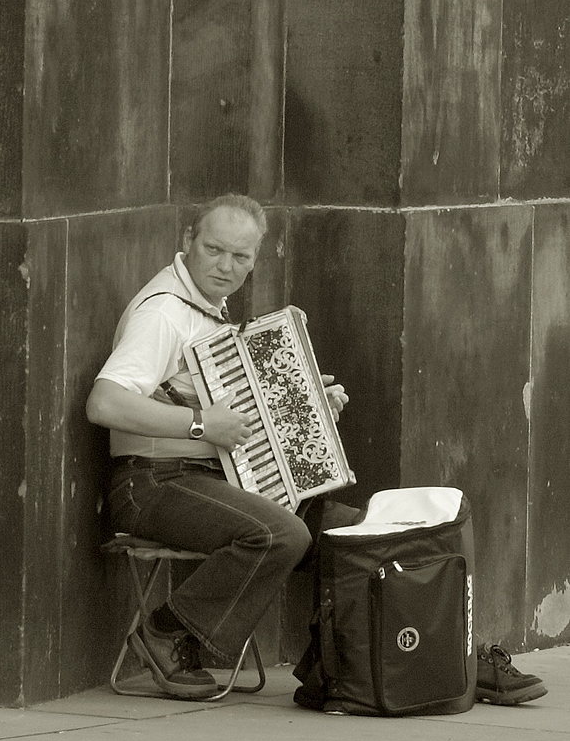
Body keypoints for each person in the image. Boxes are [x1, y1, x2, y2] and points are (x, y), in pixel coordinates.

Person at [87, 193, 547, 707]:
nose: (226, 266)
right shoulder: (164, 313)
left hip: (214, 472)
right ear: (187, 241)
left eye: (241, 257)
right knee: (280, 534)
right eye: (214, 249)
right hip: (152, 482)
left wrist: (307, 404)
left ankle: (445, 658)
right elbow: (104, 403)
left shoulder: (207, 310)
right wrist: (200, 424)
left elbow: (233, 416)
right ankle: (167, 634)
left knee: (365, 533)